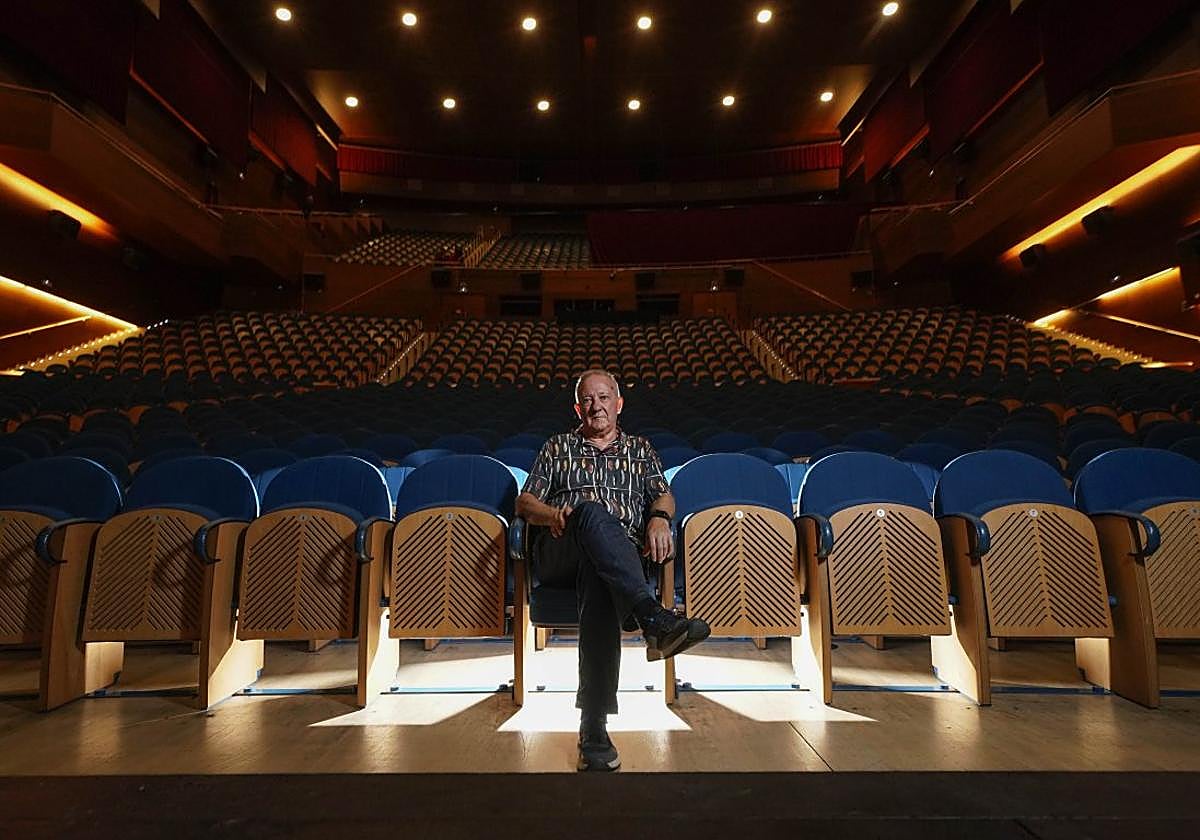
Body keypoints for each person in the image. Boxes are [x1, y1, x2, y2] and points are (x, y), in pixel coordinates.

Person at [516, 369, 711, 771]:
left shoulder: (640, 449)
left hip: (614, 561)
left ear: (618, 404)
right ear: (577, 407)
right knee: (589, 513)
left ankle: (594, 725)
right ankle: (651, 616)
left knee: (600, 574)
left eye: (604, 397)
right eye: (588, 399)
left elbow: (663, 493)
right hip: (561, 549)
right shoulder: (558, 447)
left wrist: (659, 517)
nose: (596, 406)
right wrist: (551, 512)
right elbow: (525, 502)